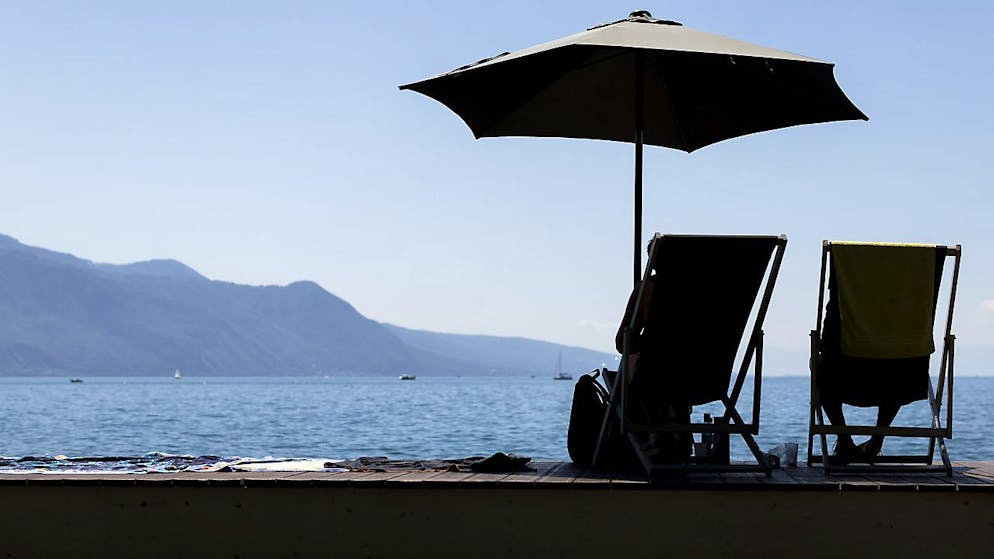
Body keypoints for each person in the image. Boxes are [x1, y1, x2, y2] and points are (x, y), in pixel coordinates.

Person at [615, 250, 691, 463]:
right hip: (700, 378)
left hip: (653, 379)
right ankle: (680, 437)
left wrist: (649, 342)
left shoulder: (647, 289)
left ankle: (651, 438)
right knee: (674, 369)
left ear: (653, 261)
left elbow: (622, 342)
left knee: (637, 365)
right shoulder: (702, 292)